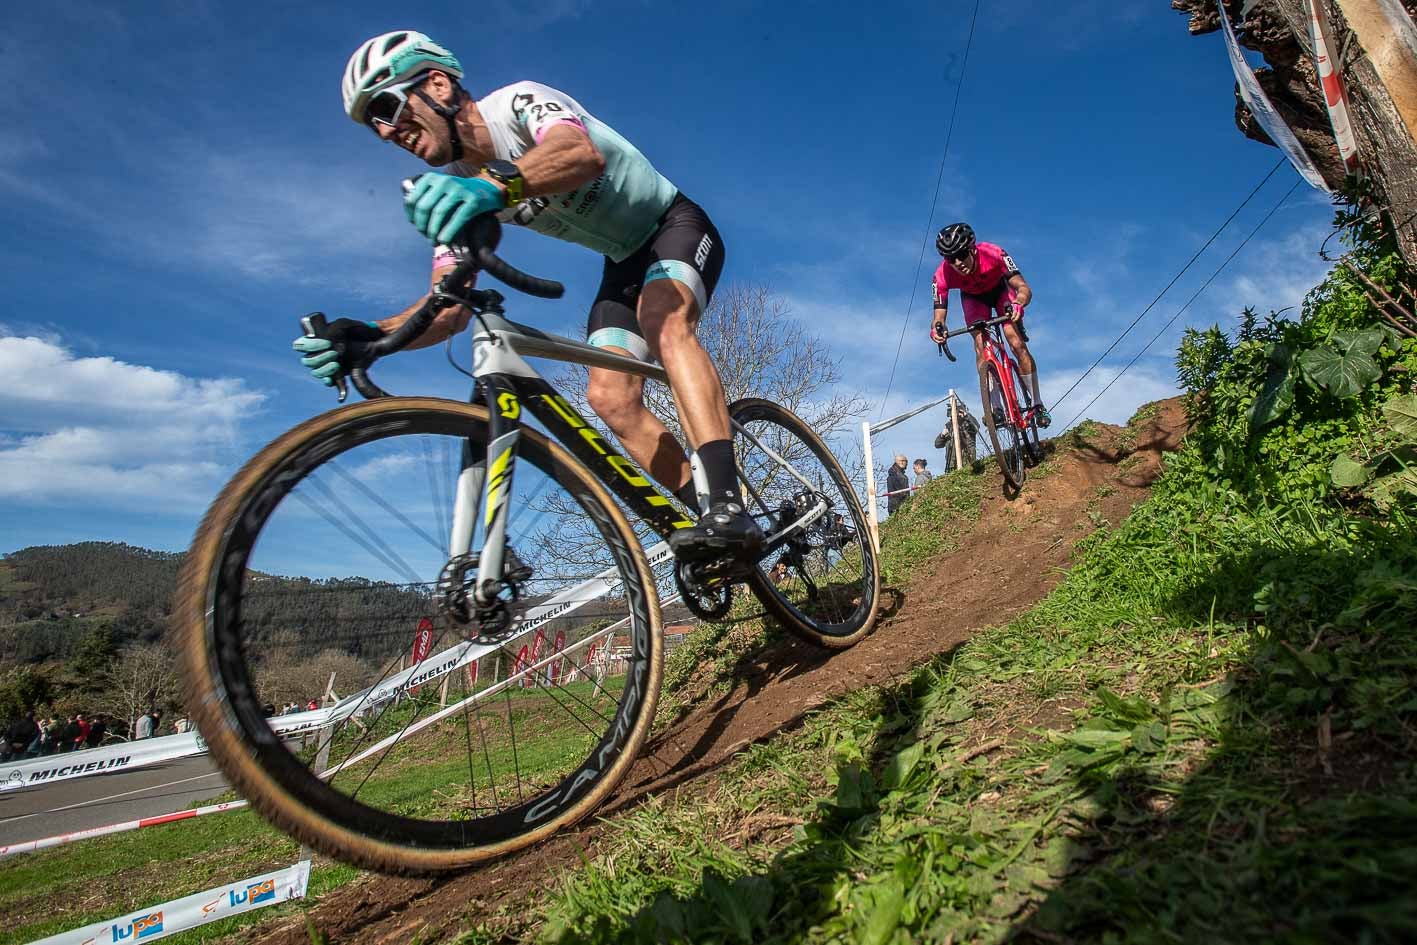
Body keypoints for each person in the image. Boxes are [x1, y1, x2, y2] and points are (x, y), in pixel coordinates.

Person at [298, 31, 760, 562]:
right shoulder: (461, 184)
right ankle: (710, 525)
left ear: (439, 84)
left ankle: (729, 506)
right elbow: (447, 308)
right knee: (609, 397)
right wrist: (374, 337)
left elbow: (577, 153)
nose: (385, 131)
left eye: (385, 106)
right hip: (621, 264)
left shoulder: (516, 104)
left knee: (663, 320)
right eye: (373, 125)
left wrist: (494, 187)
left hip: (672, 224)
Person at [928, 223, 1050, 427]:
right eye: (951, 259)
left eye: (961, 254)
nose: (957, 262)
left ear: (973, 249)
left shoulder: (994, 253)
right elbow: (938, 314)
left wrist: (1018, 303)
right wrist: (937, 327)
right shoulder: (942, 274)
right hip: (974, 299)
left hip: (1001, 291)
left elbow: (1023, 287)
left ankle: (1037, 404)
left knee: (1015, 342)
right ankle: (996, 408)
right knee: (980, 346)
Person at [935, 402, 979, 471]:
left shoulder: (967, 424)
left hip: (967, 462)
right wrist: (942, 436)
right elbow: (937, 444)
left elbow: (976, 427)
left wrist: (966, 416)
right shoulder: (949, 427)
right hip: (951, 465)